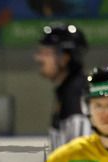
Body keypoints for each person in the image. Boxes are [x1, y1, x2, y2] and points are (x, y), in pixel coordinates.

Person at [36, 22, 90, 153]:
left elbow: (81, 153)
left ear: (64, 58)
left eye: (46, 53)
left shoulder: (76, 93)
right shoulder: (66, 91)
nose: (38, 58)